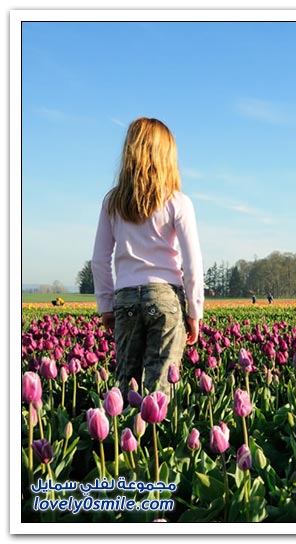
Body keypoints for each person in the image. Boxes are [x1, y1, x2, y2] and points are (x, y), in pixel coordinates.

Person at [92, 117, 204, 402]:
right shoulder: (178, 202)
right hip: (166, 298)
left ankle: (125, 441)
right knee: (159, 390)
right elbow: (192, 264)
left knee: (126, 386)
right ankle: (155, 442)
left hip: (126, 299)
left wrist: (106, 305)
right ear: (168, 156)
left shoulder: (113, 202)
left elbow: (100, 259)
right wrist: (195, 311)